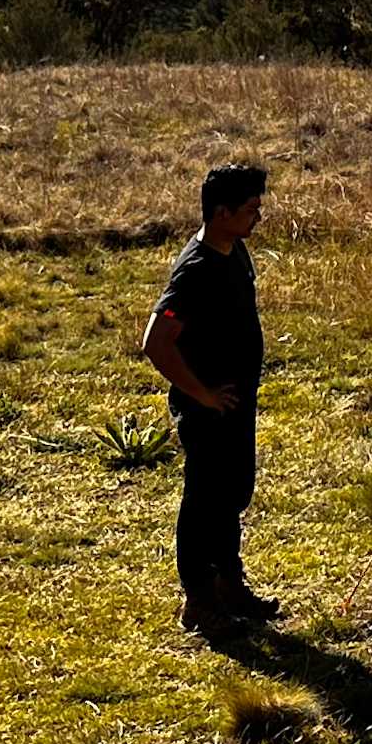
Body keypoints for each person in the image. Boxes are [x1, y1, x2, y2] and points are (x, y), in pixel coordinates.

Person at [142, 161, 276, 636]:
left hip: (234, 403)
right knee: (205, 500)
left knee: (232, 492)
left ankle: (229, 584)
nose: (258, 216)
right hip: (207, 409)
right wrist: (201, 394)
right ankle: (199, 600)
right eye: (250, 209)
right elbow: (156, 341)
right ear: (221, 212)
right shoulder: (196, 271)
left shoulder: (234, 249)